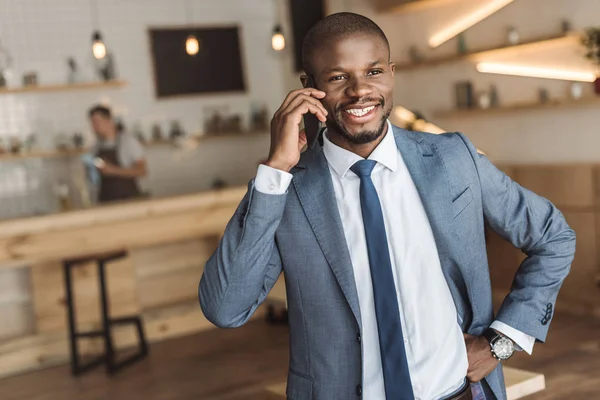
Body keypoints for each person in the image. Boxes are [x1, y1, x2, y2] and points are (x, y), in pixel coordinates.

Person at [198, 12, 575, 400]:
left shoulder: (453, 158)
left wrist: (501, 341)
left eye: (373, 71)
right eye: (338, 77)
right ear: (309, 88)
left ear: (391, 74)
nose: (360, 91)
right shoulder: (285, 190)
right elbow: (225, 308)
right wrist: (274, 169)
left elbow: (554, 236)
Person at [88, 105, 147, 203]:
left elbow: (142, 171)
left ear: (109, 121)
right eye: (92, 123)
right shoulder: (96, 146)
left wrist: (112, 170)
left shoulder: (128, 141)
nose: (94, 127)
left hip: (129, 199)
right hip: (105, 200)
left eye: (96, 122)